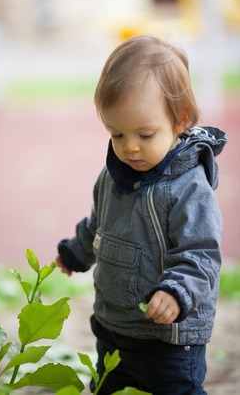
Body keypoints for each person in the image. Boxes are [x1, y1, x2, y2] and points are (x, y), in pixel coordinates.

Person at [55, 35, 227, 395]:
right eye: (117, 133)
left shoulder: (189, 188)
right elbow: (99, 225)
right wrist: (75, 251)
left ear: (179, 121)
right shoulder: (112, 175)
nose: (129, 147)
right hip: (114, 326)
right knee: (108, 387)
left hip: (168, 337)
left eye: (145, 135)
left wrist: (177, 292)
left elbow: (202, 255)